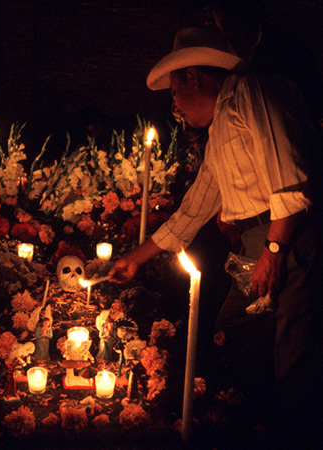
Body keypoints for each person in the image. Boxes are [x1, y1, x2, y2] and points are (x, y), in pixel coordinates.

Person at [109, 26, 323, 448]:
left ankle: (294, 432)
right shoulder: (221, 125)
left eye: (174, 95)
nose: (175, 108)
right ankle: (259, 426)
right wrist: (140, 255)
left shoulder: (250, 93)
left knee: (293, 356)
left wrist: (274, 250)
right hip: (255, 243)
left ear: (193, 77)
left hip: (287, 238)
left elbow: (290, 182)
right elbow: (200, 202)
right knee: (237, 334)